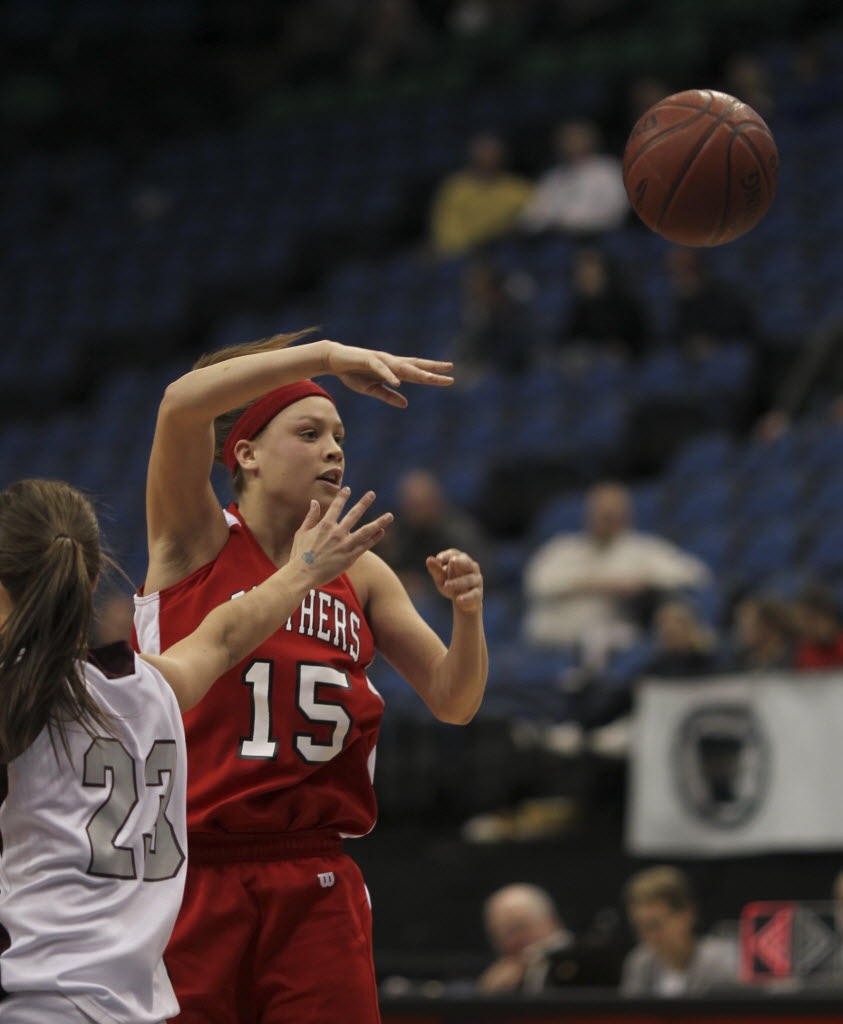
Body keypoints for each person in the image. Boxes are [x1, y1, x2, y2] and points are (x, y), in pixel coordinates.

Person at [134, 332, 488, 1023]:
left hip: (314, 870)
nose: (333, 449)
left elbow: (453, 700)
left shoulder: (361, 570)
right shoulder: (194, 539)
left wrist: (468, 615)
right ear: (246, 454)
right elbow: (179, 405)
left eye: (339, 436)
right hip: (192, 866)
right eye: (309, 431)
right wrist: (326, 355)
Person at [0, 476, 393, 1023]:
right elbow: (226, 636)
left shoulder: (14, 701)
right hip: (133, 1006)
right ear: (90, 582)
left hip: (29, 999)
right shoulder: (147, 686)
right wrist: (304, 570)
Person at [522, 481, 711, 670]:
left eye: (612, 513)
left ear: (626, 516)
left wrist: (644, 581)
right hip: (545, 644)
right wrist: (598, 584)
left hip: (606, 643)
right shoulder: (563, 548)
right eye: (600, 512)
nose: (605, 518)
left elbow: (694, 574)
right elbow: (536, 583)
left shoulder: (643, 550)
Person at [478, 882, 623, 994]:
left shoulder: (590, 957)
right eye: (499, 933)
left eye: (518, 928)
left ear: (549, 920)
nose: (511, 941)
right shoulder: (502, 974)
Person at [620, 866, 738, 996]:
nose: (648, 936)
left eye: (655, 925)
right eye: (640, 927)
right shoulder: (640, 962)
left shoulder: (723, 962)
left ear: (687, 915)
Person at [379, 467, 490, 603]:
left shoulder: (460, 533)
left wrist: (427, 589)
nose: (415, 513)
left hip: (450, 606)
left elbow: (482, 580)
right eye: (411, 506)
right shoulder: (406, 533)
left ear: (435, 500)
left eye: (420, 505)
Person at [428, 132, 534, 257]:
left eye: (492, 153)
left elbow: (531, 223)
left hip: (501, 251)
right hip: (459, 254)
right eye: (483, 153)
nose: (488, 158)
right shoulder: (455, 188)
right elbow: (446, 229)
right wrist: (458, 249)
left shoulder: (520, 189)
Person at [520, 118, 629, 237]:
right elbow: (534, 215)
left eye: (576, 138)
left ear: (590, 140)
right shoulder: (552, 176)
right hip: (556, 238)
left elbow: (616, 210)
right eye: (566, 139)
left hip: (599, 236)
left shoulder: (608, 170)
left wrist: (576, 223)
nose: (571, 143)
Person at [557, 244, 648, 360]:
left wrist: (623, 349)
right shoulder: (576, 306)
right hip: (589, 362)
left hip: (624, 363)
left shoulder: (624, 303)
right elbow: (569, 340)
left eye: (591, 271)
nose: (586, 276)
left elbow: (640, 338)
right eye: (582, 272)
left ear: (603, 272)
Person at [725, 592, 796, 671]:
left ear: (768, 625)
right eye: (741, 625)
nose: (742, 631)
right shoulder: (740, 660)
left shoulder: (794, 657)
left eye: (748, 625)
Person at [793, 583, 843, 671]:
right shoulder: (804, 652)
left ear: (831, 618)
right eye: (808, 622)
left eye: (816, 620)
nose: (813, 628)